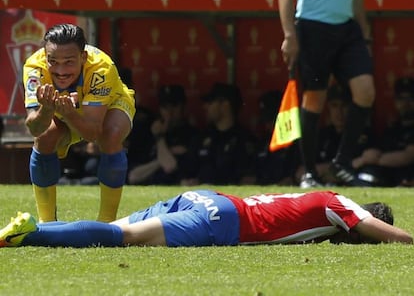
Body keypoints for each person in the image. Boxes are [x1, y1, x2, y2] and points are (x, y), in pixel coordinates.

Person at [1, 189, 412, 248]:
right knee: (120, 236)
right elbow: (375, 227)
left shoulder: (316, 200)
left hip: (206, 196)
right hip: (222, 218)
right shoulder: (341, 205)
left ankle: (32, 227)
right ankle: (28, 236)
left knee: (120, 229)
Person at [23, 23, 136, 222]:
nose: (60, 70)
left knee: (110, 135)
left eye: (68, 62)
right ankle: (47, 222)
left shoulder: (102, 67)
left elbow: (92, 134)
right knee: (45, 137)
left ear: (83, 58)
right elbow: (35, 128)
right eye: (53, 61)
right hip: (63, 109)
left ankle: (106, 223)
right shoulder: (34, 68)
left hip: (111, 104)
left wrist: (70, 114)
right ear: (44, 55)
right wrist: (47, 109)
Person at [278, 0, 376, 188]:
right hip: (312, 27)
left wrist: (365, 33)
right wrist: (289, 36)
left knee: (366, 92)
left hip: (348, 29)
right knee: (314, 100)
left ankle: (342, 163)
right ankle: (309, 173)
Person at [295, 84, 375, 185]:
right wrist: (354, 163)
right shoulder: (321, 136)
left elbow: (373, 159)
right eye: (334, 105)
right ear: (328, 108)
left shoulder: (364, 134)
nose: (339, 112)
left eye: (344, 106)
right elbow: (301, 172)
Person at [181, 83, 256, 185]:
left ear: (225, 104)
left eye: (210, 102)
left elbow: (246, 178)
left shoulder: (244, 139)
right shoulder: (201, 137)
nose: (205, 107)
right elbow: (187, 172)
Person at [128, 85, 199, 185]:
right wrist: (162, 158)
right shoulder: (147, 133)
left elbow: (170, 166)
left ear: (183, 107)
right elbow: (133, 176)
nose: (169, 112)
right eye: (165, 107)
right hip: (146, 189)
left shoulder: (191, 135)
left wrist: (160, 139)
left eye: (174, 106)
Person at [353, 77, 414, 186]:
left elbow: (408, 156)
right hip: (387, 178)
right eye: (401, 98)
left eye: (410, 98)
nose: (406, 103)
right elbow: (376, 150)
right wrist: (366, 158)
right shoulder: (392, 128)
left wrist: (373, 160)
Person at [254, 90, 299, 185]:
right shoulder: (263, 141)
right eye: (265, 120)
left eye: (271, 119)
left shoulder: (298, 143)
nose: (267, 125)